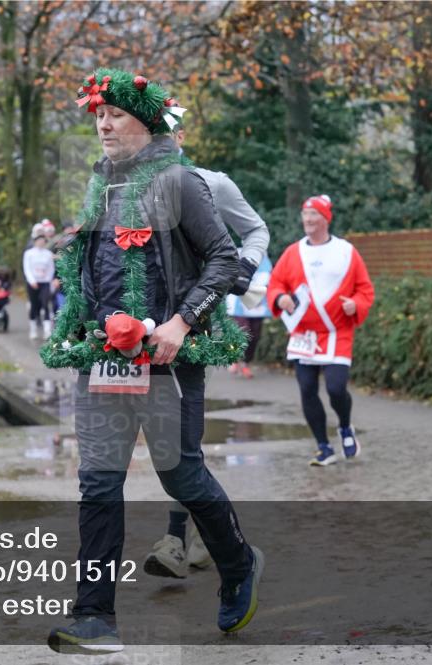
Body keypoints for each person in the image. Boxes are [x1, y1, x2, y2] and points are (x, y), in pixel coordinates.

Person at [41, 68, 264, 654]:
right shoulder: (100, 186)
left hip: (170, 355)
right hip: (105, 357)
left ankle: (238, 564)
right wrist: (79, 328)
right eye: (97, 116)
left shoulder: (180, 182)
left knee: (180, 473)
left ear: (145, 120)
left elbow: (224, 258)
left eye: (114, 114)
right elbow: (92, 269)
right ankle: (94, 617)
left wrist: (181, 321)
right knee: (97, 482)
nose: (103, 124)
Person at [143, 122, 271, 580]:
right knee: (171, 443)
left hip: (195, 324)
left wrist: (243, 269)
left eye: (165, 137)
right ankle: (197, 538)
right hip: (146, 330)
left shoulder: (212, 183)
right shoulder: (127, 189)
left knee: (181, 442)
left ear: (179, 140)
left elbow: (255, 230)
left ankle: (179, 541)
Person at [266, 194, 375, 466]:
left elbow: (365, 289)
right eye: (305, 214)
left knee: (337, 389)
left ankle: (345, 426)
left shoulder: (346, 251)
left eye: (314, 214)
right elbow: (275, 283)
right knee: (307, 388)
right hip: (304, 334)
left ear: (326, 218)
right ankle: (323, 447)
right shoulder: (293, 252)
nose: (308, 219)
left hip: (337, 332)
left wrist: (356, 304)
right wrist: (280, 299)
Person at [226, 257, 273, 379]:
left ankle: (246, 363)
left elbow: (267, 278)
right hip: (238, 303)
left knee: (255, 336)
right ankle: (234, 358)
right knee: (241, 332)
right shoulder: (236, 251)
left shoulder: (263, 257)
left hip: (258, 304)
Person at [22, 233, 55, 341]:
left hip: (44, 283)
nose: (41, 242)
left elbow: (51, 269)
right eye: (38, 240)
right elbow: (27, 268)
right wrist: (32, 280)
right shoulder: (29, 253)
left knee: (45, 304)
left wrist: (48, 279)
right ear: (35, 241)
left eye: (43, 240)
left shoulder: (48, 254)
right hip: (33, 283)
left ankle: (47, 331)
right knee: (34, 306)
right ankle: (33, 329)